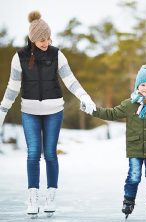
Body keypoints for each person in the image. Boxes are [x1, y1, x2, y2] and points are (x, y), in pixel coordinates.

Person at [0, 11, 96, 216]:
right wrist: (3, 109)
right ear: (33, 39)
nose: (46, 42)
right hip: (30, 112)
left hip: (54, 111)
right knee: (33, 153)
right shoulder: (20, 57)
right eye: (42, 39)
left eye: (48, 38)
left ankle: (51, 195)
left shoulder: (57, 54)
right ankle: (33, 197)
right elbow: (13, 87)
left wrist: (84, 96)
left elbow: (70, 80)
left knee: (50, 153)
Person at [81, 65, 146, 218]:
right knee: (134, 175)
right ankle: (128, 200)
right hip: (135, 147)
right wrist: (92, 109)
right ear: (137, 86)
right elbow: (111, 113)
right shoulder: (128, 105)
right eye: (143, 85)